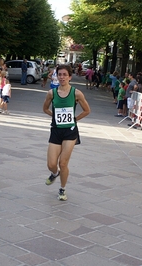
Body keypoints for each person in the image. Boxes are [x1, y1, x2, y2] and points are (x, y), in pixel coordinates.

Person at [42, 64, 91, 201]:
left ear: (70, 77)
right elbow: (45, 108)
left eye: (65, 75)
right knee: (51, 164)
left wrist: (75, 119)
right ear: (56, 76)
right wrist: (55, 116)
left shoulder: (76, 93)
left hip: (70, 132)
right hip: (56, 130)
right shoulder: (51, 93)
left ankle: (62, 189)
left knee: (63, 163)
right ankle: (54, 173)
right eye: (60, 74)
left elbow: (87, 110)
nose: (62, 77)